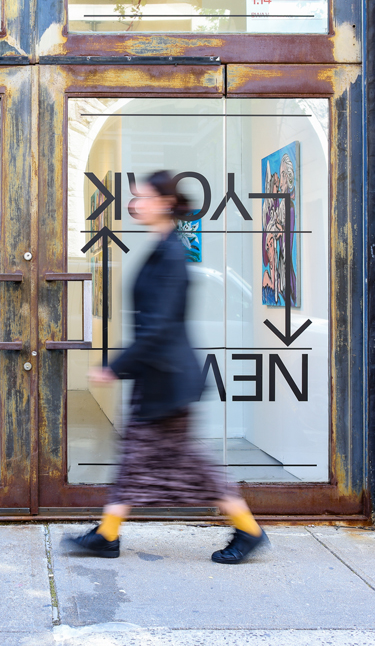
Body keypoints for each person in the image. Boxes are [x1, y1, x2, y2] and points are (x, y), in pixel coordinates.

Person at [66, 170, 269, 565]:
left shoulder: (171, 254)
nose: (133, 203)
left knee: (188, 462)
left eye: (140, 196)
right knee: (137, 456)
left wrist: (115, 366)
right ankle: (107, 534)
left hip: (167, 379)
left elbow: (159, 326)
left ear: (162, 203)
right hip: (158, 377)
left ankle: (249, 529)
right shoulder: (163, 248)